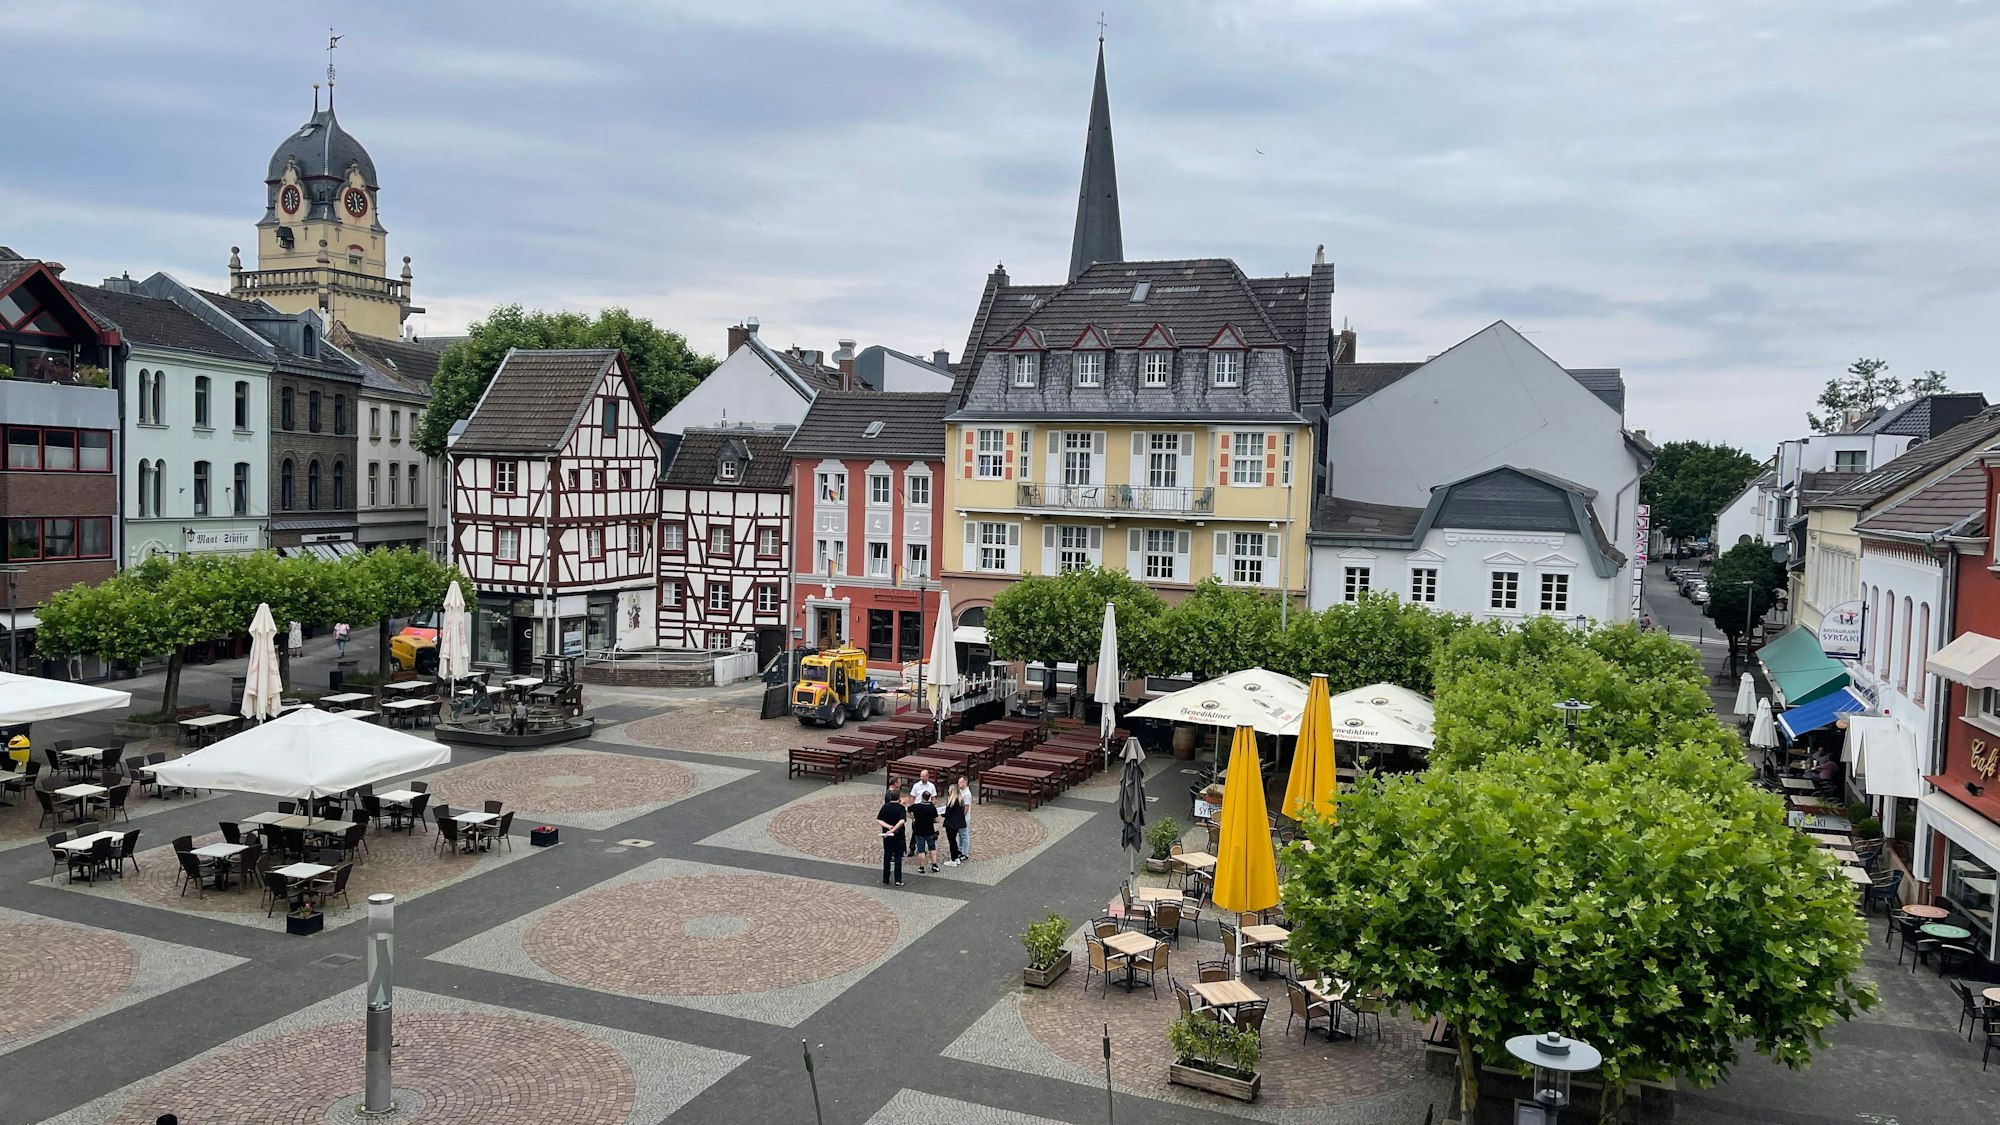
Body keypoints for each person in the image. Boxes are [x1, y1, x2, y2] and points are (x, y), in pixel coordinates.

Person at [876, 791, 909, 886]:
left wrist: (888, 827)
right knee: (898, 857)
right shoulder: (901, 808)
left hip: (887, 836)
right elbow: (901, 821)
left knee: (887, 856)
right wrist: (893, 829)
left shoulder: (885, 807)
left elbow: (879, 819)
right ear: (899, 797)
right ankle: (898, 880)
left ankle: (885, 878)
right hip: (898, 836)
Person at [909, 787, 941, 873]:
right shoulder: (932, 808)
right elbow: (937, 820)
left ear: (922, 797)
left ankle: (921, 867)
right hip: (930, 830)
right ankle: (934, 865)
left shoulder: (916, 807)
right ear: (929, 798)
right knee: (932, 848)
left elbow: (907, 810)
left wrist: (913, 818)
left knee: (921, 850)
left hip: (919, 831)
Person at [942, 783, 968, 866]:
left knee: (952, 841)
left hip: (951, 824)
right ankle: (956, 858)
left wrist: (942, 814)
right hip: (958, 824)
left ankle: (953, 859)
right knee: (954, 841)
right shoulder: (960, 800)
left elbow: (947, 814)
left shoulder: (951, 801)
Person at [954, 775, 973, 859]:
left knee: (964, 835)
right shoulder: (961, 792)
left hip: (964, 818)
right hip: (960, 817)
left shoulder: (967, 794)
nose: (959, 784)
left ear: (965, 782)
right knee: (961, 834)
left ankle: (965, 853)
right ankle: (960, 849)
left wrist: (961, 817)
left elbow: (966, 807)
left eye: (960, 782)